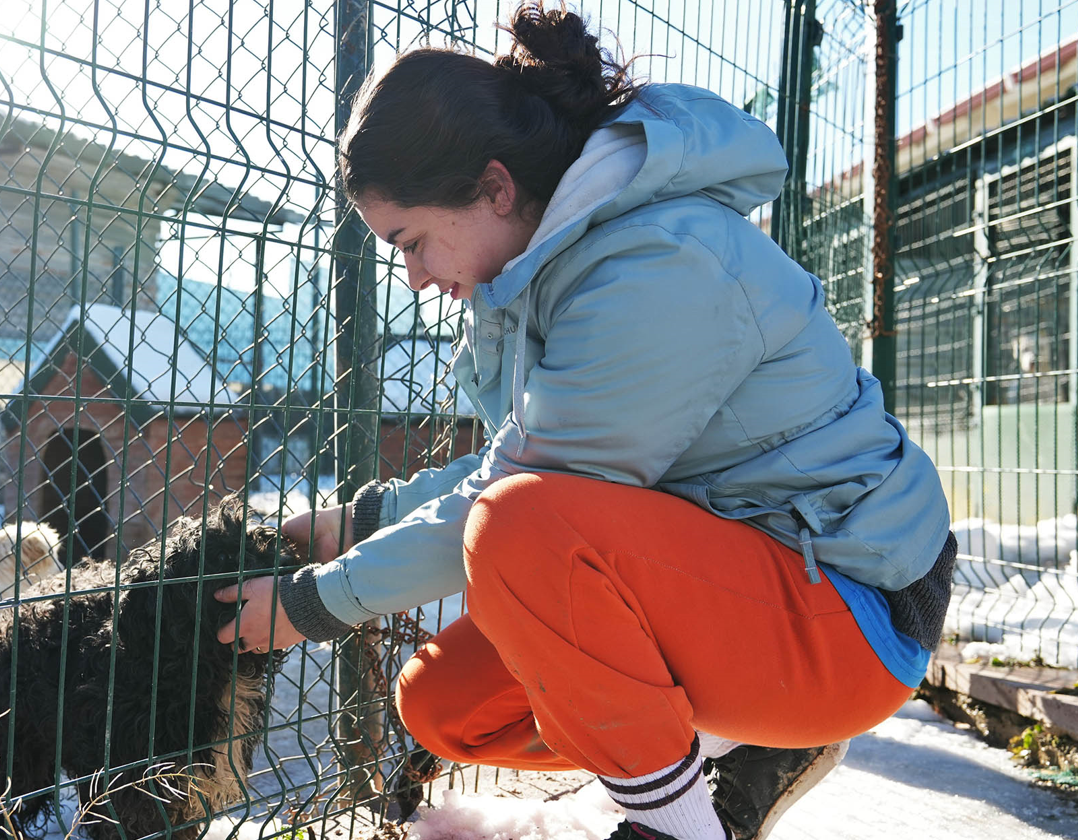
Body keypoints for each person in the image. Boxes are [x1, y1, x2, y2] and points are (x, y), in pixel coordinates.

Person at [214, 4, 956, 839]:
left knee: (517, 528)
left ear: (495, 188)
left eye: (411, 241)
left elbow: (531, 498)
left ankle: (675, 826)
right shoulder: (549, 273)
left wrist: (314, 605)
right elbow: (521, 461)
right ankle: (736, 746)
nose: (416, 277)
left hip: (853, 607)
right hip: (745, 572)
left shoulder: (658, 262)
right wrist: (362, 521)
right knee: (445, 706)